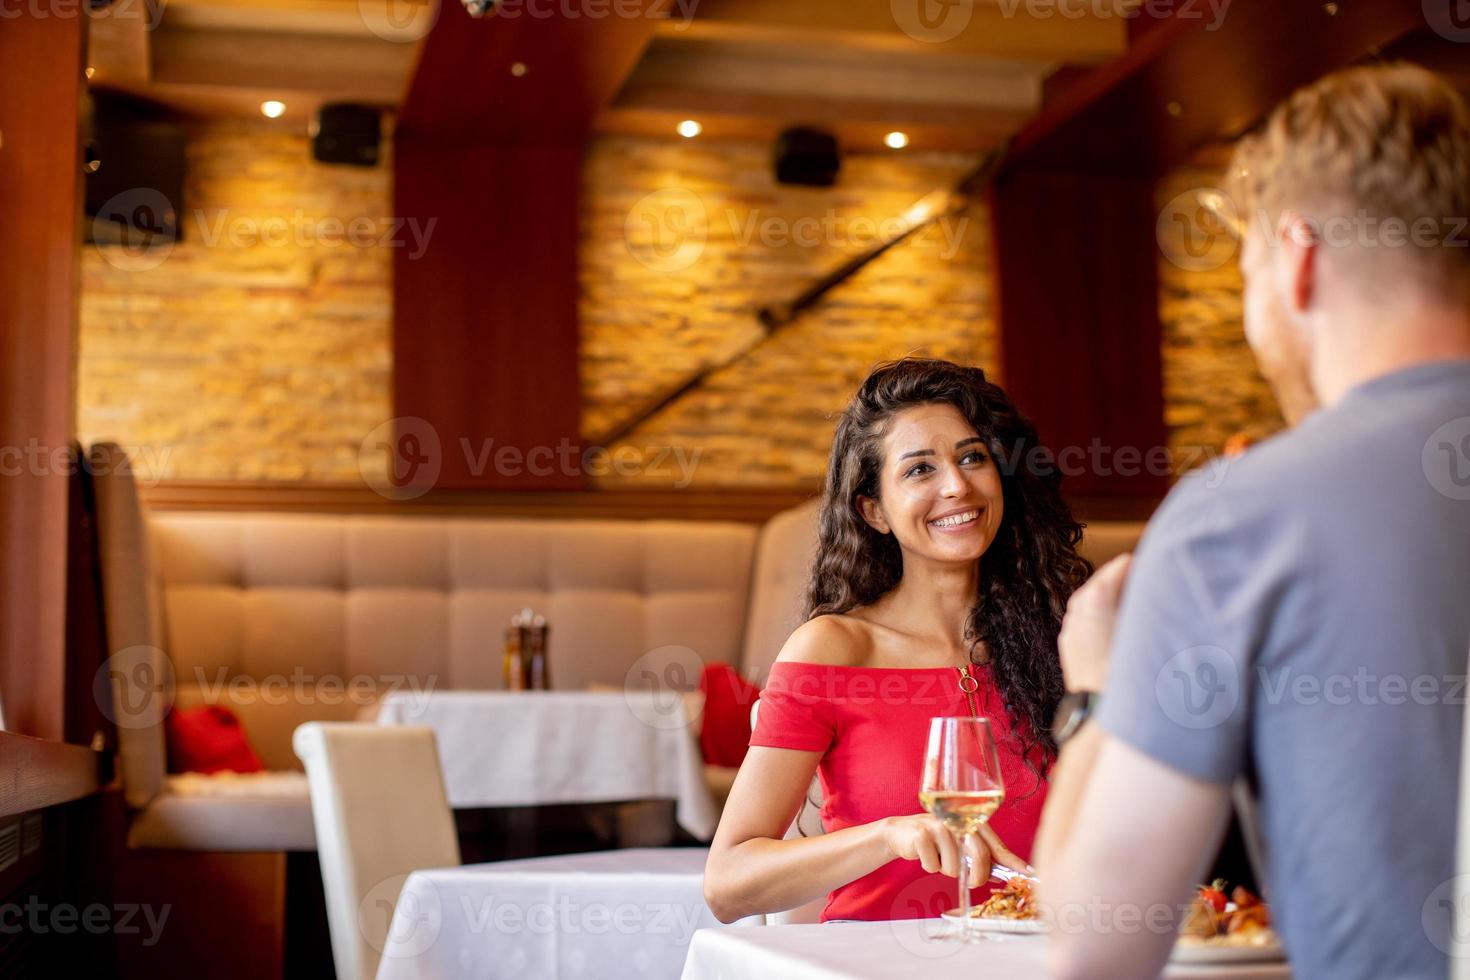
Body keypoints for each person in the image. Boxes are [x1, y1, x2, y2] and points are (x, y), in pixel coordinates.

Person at [1035, 64, 1470, 980]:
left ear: (1298, 255)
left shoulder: (1242, 518)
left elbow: (1092, 946)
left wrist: (1096, 691)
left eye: (1246, 271)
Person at [704, 357, 1092, 923]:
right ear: (874, 510)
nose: (956, 485)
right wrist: (888, 836)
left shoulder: (1066, 641)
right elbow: (728, 884)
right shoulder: (835, 649)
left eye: (972, 457)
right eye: (919, 470)